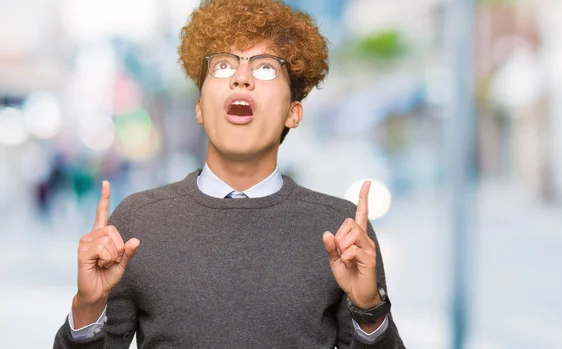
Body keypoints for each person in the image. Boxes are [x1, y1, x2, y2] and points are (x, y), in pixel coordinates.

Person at [54, 0, 405, 347]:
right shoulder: (138, 223)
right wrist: (87, 308)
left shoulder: (342, 231)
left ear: (293, 113)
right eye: (222, 66)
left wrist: (369, 311)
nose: (241, 78)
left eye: (266, 68)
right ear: (199, 107)